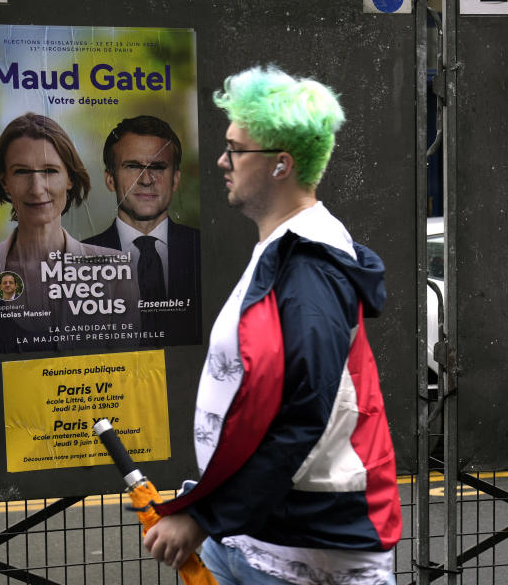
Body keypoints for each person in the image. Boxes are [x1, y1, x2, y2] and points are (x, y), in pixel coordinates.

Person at [144, 66, 402, 585]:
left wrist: (202, 516)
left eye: (236, 149)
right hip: (250, 534)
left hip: (306, 551)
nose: (222, 161)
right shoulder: (283, 251)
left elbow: (303, 412)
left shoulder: (309, 270)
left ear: (281, 165)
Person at [0, 113, 138, 353]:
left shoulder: (117, 274)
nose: (37, 189)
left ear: (70, 178)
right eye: (21, 172)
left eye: (49, 170)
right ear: (4, 181)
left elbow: (127, 373)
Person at [84, 115, 201, 342]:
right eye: (133, 166)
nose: (146, 179)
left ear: (176, 180)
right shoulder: (77, 261)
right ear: (110, 179)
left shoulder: (206, 250)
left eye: (158, 167)